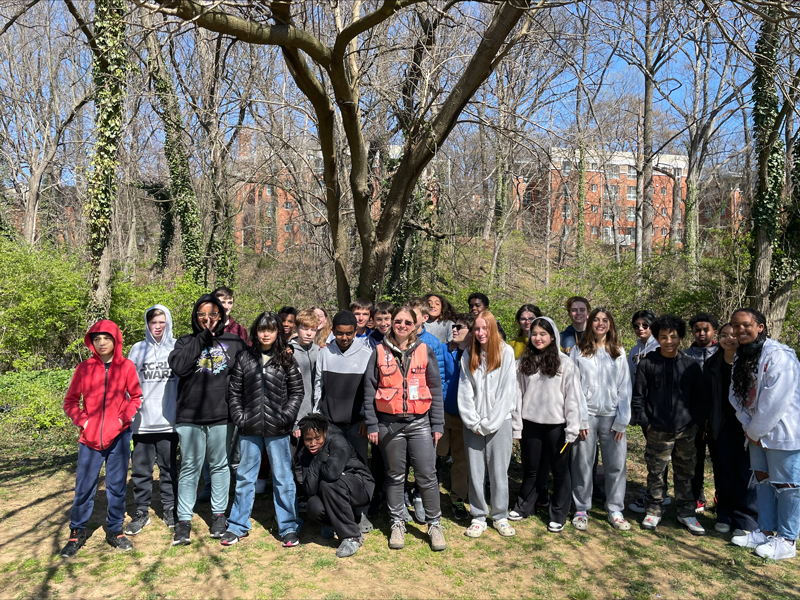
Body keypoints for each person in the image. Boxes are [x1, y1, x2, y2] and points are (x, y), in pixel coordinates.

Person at [364, 305, 446, 551]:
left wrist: (437, 423)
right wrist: (371, 424)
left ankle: (434, 524)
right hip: (389, 425)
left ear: (415, 325)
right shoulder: (378, 351)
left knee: (427, 475)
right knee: (395, 476)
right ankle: (397, 522)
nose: (401, 326)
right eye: (397, 321)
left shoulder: (424, 350)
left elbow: (435, 389)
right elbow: (369, 390)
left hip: (420, 423)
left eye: (407, 322)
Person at [168, 294, 247, 546]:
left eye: (213, 314)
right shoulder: (185, 342)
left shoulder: (234, 342)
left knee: (220, 465)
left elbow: (244, 377)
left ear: (221, 315)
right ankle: (183, 521)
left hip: (222, 416)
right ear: (195, 316)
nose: (208, 318)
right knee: (190, 467)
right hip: (190, 416)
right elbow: (179, 367)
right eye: (202, 314)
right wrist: (203, 337)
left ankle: (218, 515)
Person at [60, 320, 143, 558]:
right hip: (90, 441)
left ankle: (115, 531)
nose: (101, 342)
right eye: (96, 339)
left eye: (106, 338)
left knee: (117, 488)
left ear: (115, 340)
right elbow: (70, 402)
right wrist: (85, 422)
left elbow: (136, 397)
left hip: (118, 438)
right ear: (91, 343)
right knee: (84, 487)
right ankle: (77, 532)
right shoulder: (84, 368)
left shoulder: (126, 366)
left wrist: (120, 421)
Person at [223, 312, 304, 547]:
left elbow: (297, 392)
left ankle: (288, 526)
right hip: (250, 429)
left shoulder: (287, 359)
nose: (266, 333)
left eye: (271, 329)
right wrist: (240, 417)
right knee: (245, 478)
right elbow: (234, 392)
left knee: (283, 478)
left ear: (278, 331)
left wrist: (286, 417)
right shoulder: (244, 358)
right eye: (261, 329)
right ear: (255, 332)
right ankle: (237, 525)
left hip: (278, 430)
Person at [729, 308, 800, 560]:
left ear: (760, 326)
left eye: (746, 325)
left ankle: (788, 539)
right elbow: (735, 396)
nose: (740, 330)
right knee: (763, 480)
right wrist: (750, 428)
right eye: (735, 326)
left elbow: (775, 401)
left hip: (782, 433)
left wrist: (755, 430)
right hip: (754, 433)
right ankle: (766, 531)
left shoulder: (780, 356)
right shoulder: (742, 355)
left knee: (787, 484)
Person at [631, 315, 705, 535]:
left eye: (673, 337)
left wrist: (694, 424)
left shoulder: (690, 365)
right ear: (657, 338)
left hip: (685, 431)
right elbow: (638, 398)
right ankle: (653, 510)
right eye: (663, 337)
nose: (669, 341)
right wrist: (646, 422)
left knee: (685, 473)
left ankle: (686, 513)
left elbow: (701, 400)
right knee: (655, 472)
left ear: (680, 338)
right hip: (658, 431)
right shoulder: (647, 363)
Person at [508, 317, 583, 534]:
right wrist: (517, 426)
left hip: (557, 427)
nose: (538, 338)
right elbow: (517, 395)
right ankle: (524, 507)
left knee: (560, 471)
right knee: (531, 469)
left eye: (543, 334)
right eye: (534, 334)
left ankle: (558, 513)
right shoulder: (523, 362)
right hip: (531, 424)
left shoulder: (565, 363)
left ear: (552, 336)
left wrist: (572, 428)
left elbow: (573, 398)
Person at [569, 308, 632, 531]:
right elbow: (574, 387)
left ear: (610, 325)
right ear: (590, 323)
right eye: (596, 319)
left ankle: (615, 509)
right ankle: (581, 509)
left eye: (605, 320)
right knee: (583, 464)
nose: (600, 323)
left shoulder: (619, 352)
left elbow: (625, 388)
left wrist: (622, 420)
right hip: (587, 417)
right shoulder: (578, 351)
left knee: (615, 465)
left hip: (612, 416)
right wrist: (580, 419)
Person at [458, 310, 518, 538]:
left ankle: (500, 515)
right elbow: (464, 390)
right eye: (477, 329)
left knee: (498, 471)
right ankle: (479, 515)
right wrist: (473, 420)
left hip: (499, 422)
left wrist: (491, 422)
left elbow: (507, 391)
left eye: (485, 328)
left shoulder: (506, 352)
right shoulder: (468, 354)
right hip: (472, 424)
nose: (481, 333)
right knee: (475, 471)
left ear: (492, 329)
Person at [125, 305, 179, 536]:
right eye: (153, 322)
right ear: (147, 325)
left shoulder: (177, 347)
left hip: (169, 421)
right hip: (142, 423)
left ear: (168, 322)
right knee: (141, 470)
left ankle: (169, 509)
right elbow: (126, 383)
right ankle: (141, 512)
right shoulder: (137, 349)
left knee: (169, 469)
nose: (157, 327)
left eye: (161, 322)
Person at [702, 322, 758, 536]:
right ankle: (724, 514)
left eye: (733, 335)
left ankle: (744, 520)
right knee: (724, 472)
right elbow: (705, 397)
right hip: (720, 425)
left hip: (746, 426)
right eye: (724, 335)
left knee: (746, 473)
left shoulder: (750, 362)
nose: (729, 339)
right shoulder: (712, 364)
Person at [298, 414, 375, 558]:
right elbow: (309, 489)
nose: (312, 443)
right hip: (332, 490)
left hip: (360, 485)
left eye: (317, 438)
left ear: (325, 433)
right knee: (313, 505)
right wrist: (318, 460)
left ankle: (352, 536)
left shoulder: (338, 442)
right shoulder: (307, 452)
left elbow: (332, 473)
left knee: (329, 483)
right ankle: (333, 523)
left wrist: (317, 465)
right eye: (308, 439)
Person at [314, 311, 373, 464]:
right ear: (333, 331)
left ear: (355, 331)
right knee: (332, 463)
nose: (344, 338)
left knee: (358, 464)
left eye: (349, 334)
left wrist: (366, 417)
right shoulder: (324, 353)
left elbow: (370, 389)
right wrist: (318, 416)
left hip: (356, 424)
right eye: (339, 333)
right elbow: (318, 386)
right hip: (330, 422)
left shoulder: (367, 354)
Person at [626, 309, 669, 514]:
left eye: (645, 325)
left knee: (659, 454)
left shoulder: (661, 348)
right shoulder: (634, 351)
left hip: (659, 409)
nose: (640, 329)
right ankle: (659, 491)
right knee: (653, 453)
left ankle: (658, 495)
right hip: (641, 408)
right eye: (636, 325)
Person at [437, 312, 474, 521]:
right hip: (442, 413)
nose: (454, 329)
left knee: (461, 460)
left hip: (464, 416)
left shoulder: (476, 354)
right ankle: (426, 495)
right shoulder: (442, 349)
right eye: (453, 326)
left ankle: (458, 498)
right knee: (436, 455)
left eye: (459, 327)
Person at [685, 312, 719, 513]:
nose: (701, 333)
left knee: (719, 460)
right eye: (697, 330)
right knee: (694, 460)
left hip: (718, 417)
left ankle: (721, 498)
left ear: (713, 330)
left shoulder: (723, 352)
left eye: (706, 329)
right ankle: (696, 497)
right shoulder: (686, 355)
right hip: (693, 418)